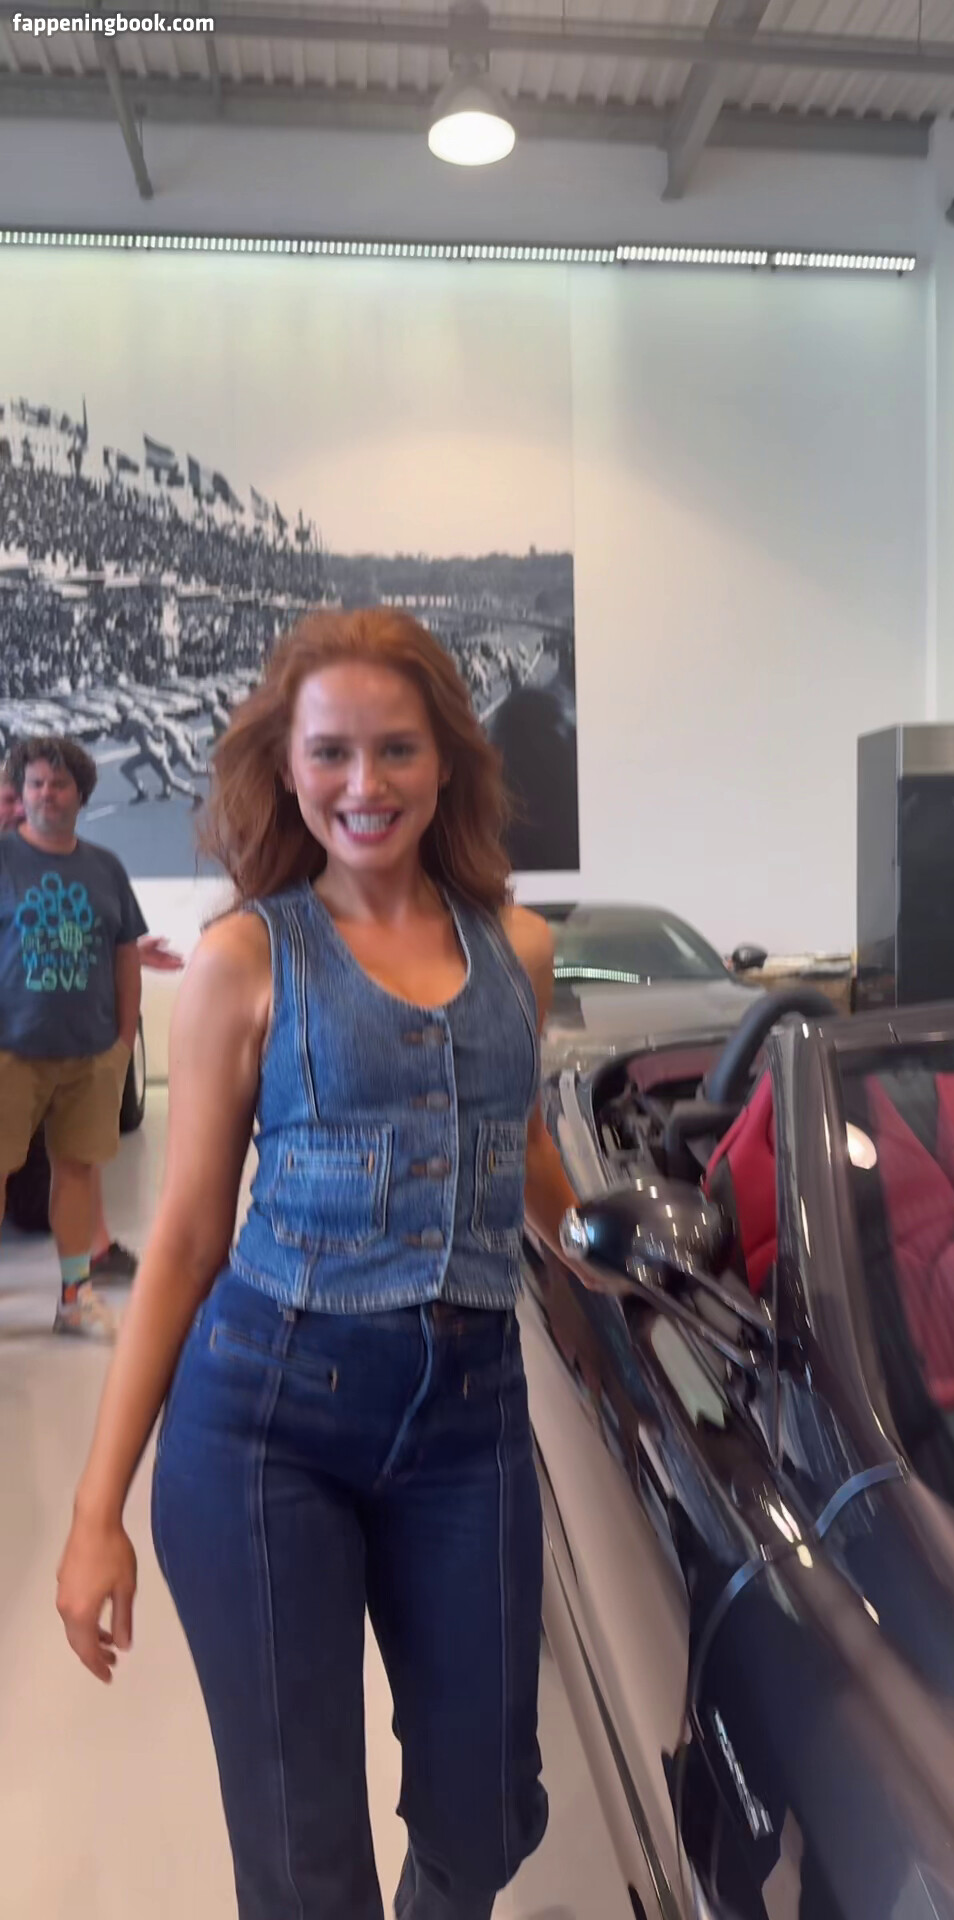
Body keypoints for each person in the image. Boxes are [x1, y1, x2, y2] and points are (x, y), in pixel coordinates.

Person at [56, 607, 605, 1920]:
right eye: (332, 752)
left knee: (487, 1812)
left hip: (468, 1417)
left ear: (446, 762)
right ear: (288, 767)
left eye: (396, 748)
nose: (366, 783)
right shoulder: (248, 959)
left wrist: (610, 1257)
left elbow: (520, 1144)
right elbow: (187, 1239)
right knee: (306, 1865)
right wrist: (94, 1513)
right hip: (265, 1422)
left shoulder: (517, 951)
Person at [0, 752, 183, 1280]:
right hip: (14, 1047)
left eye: (56, 784)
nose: (35, 799)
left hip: (85, 1049)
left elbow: (105, 937)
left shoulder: (101, 866)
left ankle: (79, 1285)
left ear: (80, 794)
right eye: (29, 787)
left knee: (75, 1168)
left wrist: (122, 1044)